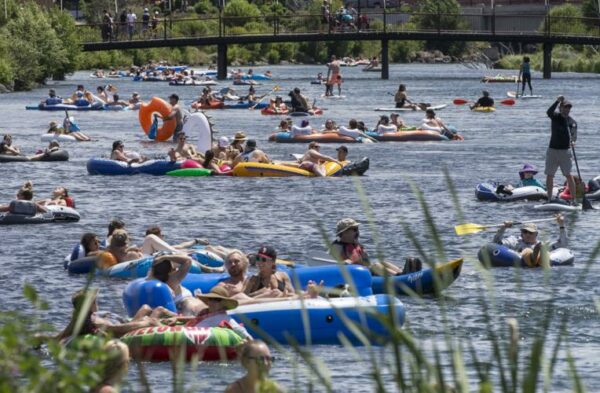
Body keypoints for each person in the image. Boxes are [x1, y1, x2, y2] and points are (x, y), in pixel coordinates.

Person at [54, 289, 163, 343]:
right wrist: (146, 323)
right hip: (126, 332)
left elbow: (61, 335)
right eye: (94, 301)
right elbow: (115, 331)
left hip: (123, 326)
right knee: (150, 317)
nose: (97, 304)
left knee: (146, 309)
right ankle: (167, 324)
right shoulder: (94, 322)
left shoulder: (78, 321)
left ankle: (166, 320)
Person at [329, 218, 403, 276]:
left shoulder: (356, 245)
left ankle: (402, 274)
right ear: (344, 233)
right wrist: (343, 263)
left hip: (365, 271)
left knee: (383, 263)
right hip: (358, 275)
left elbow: (367, 262)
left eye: (357, 229)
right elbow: (329, 264)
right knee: (375, 265)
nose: (357, 232)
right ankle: (398, 279)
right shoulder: (337, 247)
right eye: (354, 229)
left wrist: (364, 255)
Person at [492, 215, 567, 267]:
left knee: (540, 248)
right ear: (521, 233)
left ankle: (535, 254)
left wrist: (561, 224)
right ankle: (531, 255)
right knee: (527, 251)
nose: (527, 234)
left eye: (530, 233)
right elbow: (496, 243)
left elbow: (563, 244)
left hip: (536, 263)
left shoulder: (542, 244)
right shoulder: (514, 241)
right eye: (525, 232)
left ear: (536, 234)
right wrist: (503, 228)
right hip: (518, 262)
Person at [185, 286, 252, 340]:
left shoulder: (224, 318)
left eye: (217, 300)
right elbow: (194, 319)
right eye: (210, 299)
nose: (212, 302)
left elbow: (243, 333)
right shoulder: (204, 314)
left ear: (223, 303)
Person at [545, 96, 577, 205]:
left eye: (568, 108)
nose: (567, 109)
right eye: (565, 107)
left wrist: (573, 141)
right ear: (560, 108)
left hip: (565, 152)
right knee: (550, 175)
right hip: (552, 150)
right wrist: (557, 101)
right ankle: (549, 199)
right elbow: (548, 112)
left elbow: (574, 135)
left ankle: (574, 200)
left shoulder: (572, 122)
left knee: (568, 174)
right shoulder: (555, 116)